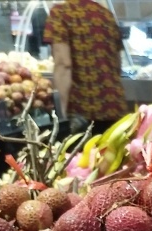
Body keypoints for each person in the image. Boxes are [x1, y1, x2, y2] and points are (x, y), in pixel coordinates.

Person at [42, 0, 128, 134]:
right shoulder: (106, 14)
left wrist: (61, 115)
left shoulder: (60, 13)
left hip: (82, 114)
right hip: (115, 108)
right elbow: (117, 64)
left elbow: (64, 64)